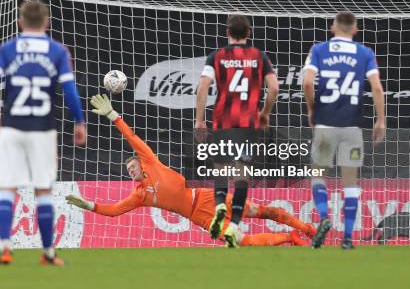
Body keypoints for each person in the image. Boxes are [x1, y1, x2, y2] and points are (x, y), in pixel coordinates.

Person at [66, 94, 315, 247]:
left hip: (206, 198)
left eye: (132, 166)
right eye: (128, 170)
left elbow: (132, 138)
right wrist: (89, 205)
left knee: (262, 212)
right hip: (202, 217)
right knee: (242, 241)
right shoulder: (140, 195)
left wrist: (113, 115)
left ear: (141, 163)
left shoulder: (151, 162)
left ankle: (307, 229)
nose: (131, 171)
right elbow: (114, 211)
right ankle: (290, 238)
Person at [0, 0, 87, 265]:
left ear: (20, 23)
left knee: (7, 187)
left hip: (12, 127)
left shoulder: (8, 49)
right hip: (43, 130)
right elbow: (70, 92)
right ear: (47, 23)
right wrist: (79, 121)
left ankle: (5, 248)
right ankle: (48, 253)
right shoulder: (57, 51)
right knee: (43, 191)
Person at [303, 11, 385, 249]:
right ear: (355, 30)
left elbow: (308, 82)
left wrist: (312, 109)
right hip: (352, 127)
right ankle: (348, 238)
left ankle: (324, 217)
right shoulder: (365, 53)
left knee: (318, 174)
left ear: (333, 28)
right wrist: (380, 121)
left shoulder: (319, 50)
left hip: (326, 125)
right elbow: (377, 89)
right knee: (350, 181)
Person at [195, 15, 279, 247]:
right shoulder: (259, 56)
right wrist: (265, 113)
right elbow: (274, 87)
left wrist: (199, 119)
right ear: (249, 33)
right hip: (249, 122)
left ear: (227, 32)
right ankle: (233, 226)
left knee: (221, 167)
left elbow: (202, 87)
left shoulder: (217, 56)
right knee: (242, 174)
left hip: (223, 120)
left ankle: (221, 203)